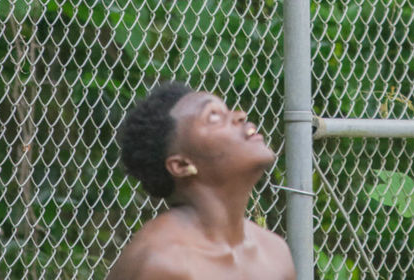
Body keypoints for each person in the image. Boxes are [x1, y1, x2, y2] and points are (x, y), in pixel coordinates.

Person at [106, 81, 296, 280]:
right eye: (213, 117)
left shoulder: (275, 254)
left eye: (227, 110)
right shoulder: (162, 264)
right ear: (181, 165)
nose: (240, 115)